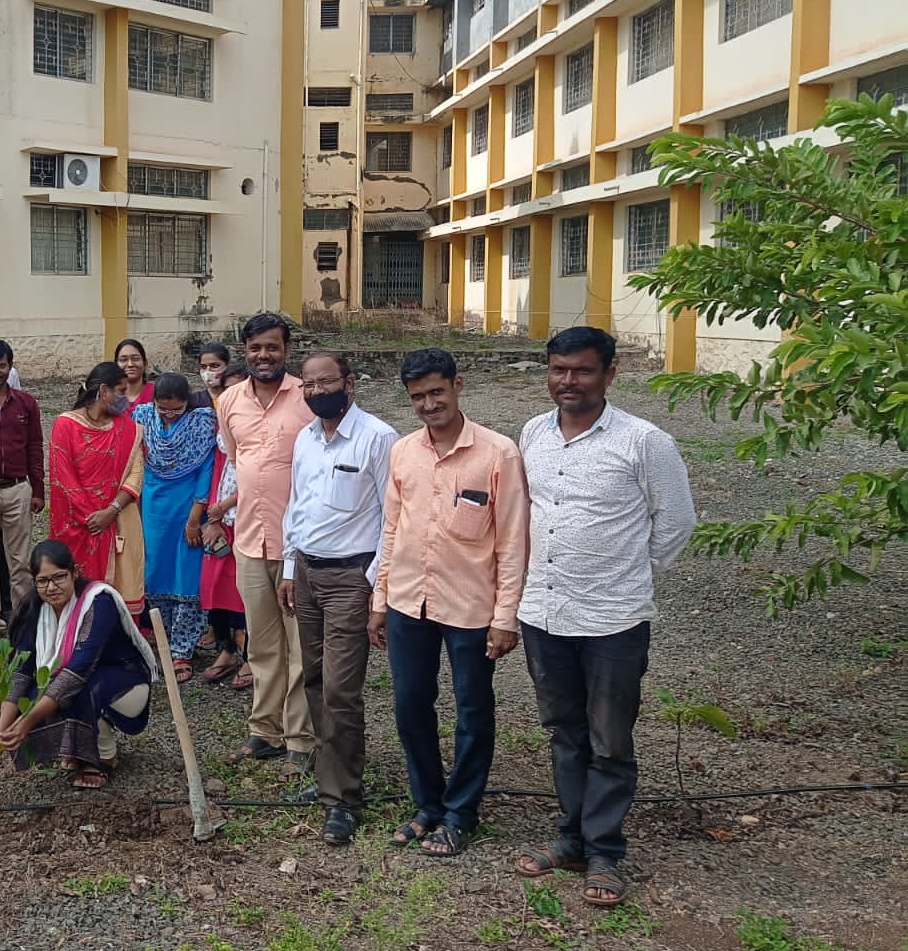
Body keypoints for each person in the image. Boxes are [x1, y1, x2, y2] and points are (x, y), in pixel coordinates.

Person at [513, 326, 696, 908]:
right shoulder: (533, 434)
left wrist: (629, 572)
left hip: (613, 619)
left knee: (610, 740)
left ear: (610, 374)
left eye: (583, 370)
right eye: (559, 370)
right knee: (564, 732)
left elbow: (676, 522)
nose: (568, 381)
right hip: (544, 612)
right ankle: (571, 837)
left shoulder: (645, 442)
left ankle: (604, 852)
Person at [371, 348, 529, 857]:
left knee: (472, 709)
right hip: (407, 602)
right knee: (410, 704)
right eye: (417, 397)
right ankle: (428, 805)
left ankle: (461, 812)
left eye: (437, 392)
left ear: (458, 386)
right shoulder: (403, 452)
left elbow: (513, 540)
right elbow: (392, 529)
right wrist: (380, 598)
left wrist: (505, 617)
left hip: (470, 608)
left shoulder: (497, 453)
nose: (428, 404)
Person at [278, 352, 398, 844]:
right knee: (312, 678)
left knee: (340, 690)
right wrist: (290, 567)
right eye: (307, 385)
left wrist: (376, 588)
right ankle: (331, 774)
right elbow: (297, 506)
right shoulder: (305, 439)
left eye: (325, 383)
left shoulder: (378, 437)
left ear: (349, 384)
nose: (315, 392)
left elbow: (393, 517)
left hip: (352, 576)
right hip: (307, 572)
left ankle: (343, 798)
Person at [216, 312, 316, 767]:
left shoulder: (306, 397)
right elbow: (238, 459)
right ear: (245, 351)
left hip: (297, 546)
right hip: (249, 542)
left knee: (300, 646)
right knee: (261, 643)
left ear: (286, 350)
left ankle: (300, 739)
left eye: (272, 347)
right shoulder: (229, 401)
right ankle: (265, 730)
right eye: (255, 348)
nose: (263, 355)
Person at [0, 540, 157, 790]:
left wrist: (26, 724)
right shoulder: (35, 609)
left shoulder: (98, 602)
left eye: (59, 577)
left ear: (74, 572)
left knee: (76, 690)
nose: (51, 587)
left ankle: (103, 755)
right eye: (43, 581)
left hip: (125, 680)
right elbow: (21, 673)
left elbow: (77, 670)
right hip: (84, 678)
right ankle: (77, 748)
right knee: (34, 694)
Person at [131, 373, 216, 682]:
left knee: (186, 577)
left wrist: (195, 519)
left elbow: (206, 471)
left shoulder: (201, 424)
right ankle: (165, 638)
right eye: (163, 409)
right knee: (155, 573)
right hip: (154, 509)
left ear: (187, 403)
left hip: (188, 509)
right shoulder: (142, 417)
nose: (169, 414)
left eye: (176, 409)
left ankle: (183, 650)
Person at [49, 362, 147, 617]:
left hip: (120, 518)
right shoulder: (66, 425)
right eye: (121, 391)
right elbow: (64, 478)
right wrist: (94, 518)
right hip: (79, 523)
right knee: (77, 590)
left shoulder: (129, 429)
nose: (126, 398)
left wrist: (111, 511)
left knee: (121, 587)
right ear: (104, 391)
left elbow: (136, 475)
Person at [0, 338, 45, 639]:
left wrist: (38, 489)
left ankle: (23, 621)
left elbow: (35, 447)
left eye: (1, 365)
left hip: (18, 489)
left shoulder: (26, 403)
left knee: (21, 561)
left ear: (10, 367)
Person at [199, 363, 250, 688]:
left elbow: (262, 479)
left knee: (245, 590)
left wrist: (224, 507)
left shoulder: (258, 427)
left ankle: (251, 656)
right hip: (221, 518)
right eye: (227, 389)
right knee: (213, 585)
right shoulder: (221, 426)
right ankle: (227, 648)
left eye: (240, 389)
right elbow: (217, 469)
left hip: (248, 518)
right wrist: (213, 516)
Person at [114, 338, 155, 407]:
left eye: (135, 359)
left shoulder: (156, 392)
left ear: (145, 363)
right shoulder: (110, 396)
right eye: (123, 359)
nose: (130, 364)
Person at [192, 342, 231, 410]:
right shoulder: (194, 401)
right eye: (203, 367)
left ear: (227, 365)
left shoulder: (240, 397)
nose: (208, 371)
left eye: (215, 366)